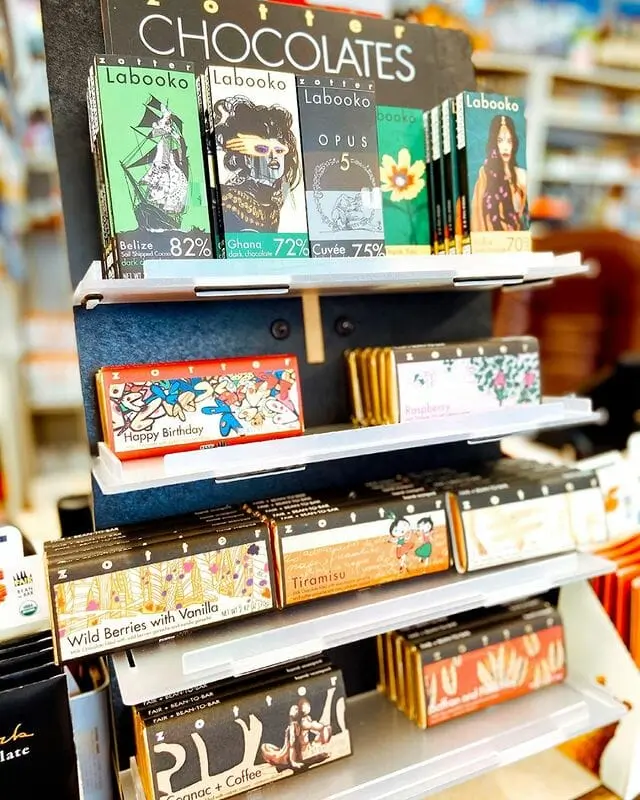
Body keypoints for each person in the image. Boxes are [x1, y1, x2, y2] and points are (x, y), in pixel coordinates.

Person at [471, 114, 528, 232]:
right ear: (494, 144)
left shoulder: (521, 176)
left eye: (509, 141)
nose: (505, 147)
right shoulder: (485, 175)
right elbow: (477, 219)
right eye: (500, 141)